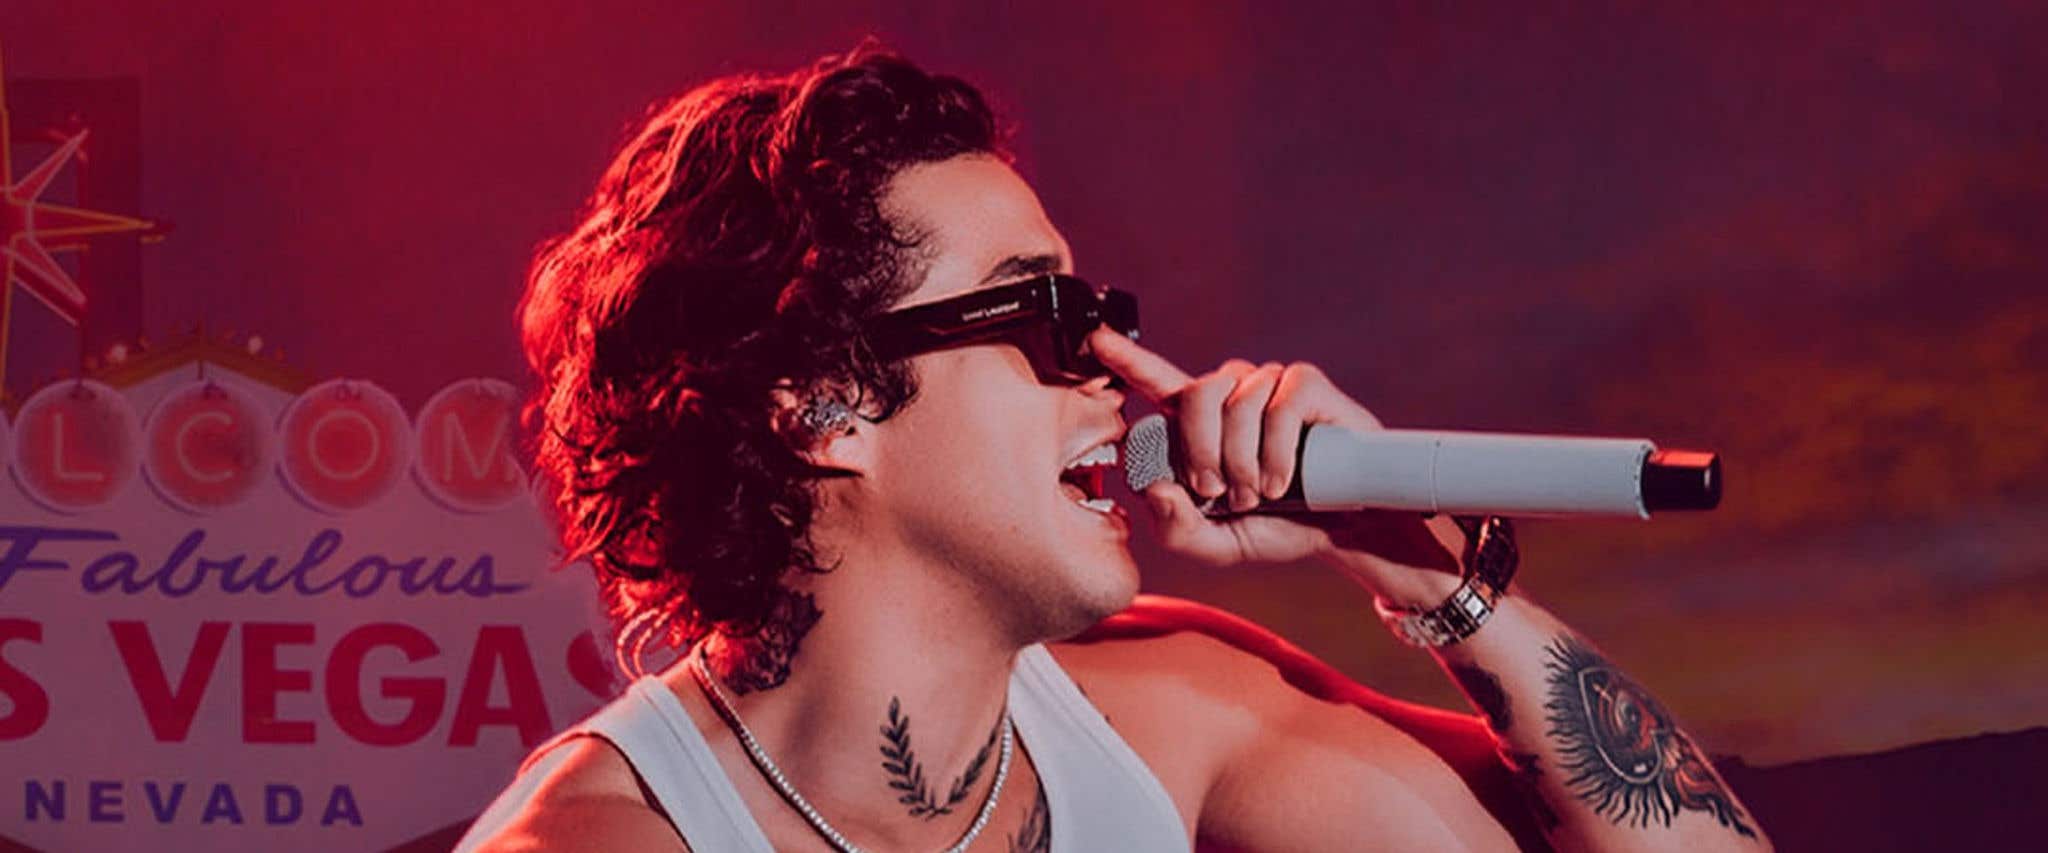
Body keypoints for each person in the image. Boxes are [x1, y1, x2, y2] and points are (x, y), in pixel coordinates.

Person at [460, 44, 1769, 852]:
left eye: (1103, 314)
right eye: (1042, 312)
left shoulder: (1169, 710)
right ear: (820, 402)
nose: (1116, 372)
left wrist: (1429, 574)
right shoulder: (603, 840)